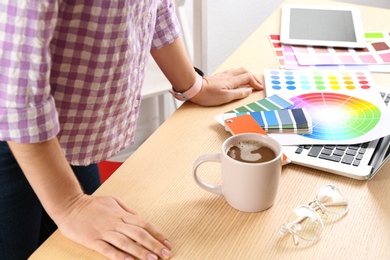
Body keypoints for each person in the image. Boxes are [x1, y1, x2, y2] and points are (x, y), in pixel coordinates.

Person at [0, 1, 263, 260]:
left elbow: (153, 7)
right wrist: (70, 206)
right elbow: (12, 95)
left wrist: (194, 86)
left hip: (68, 133)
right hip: (13, 136)